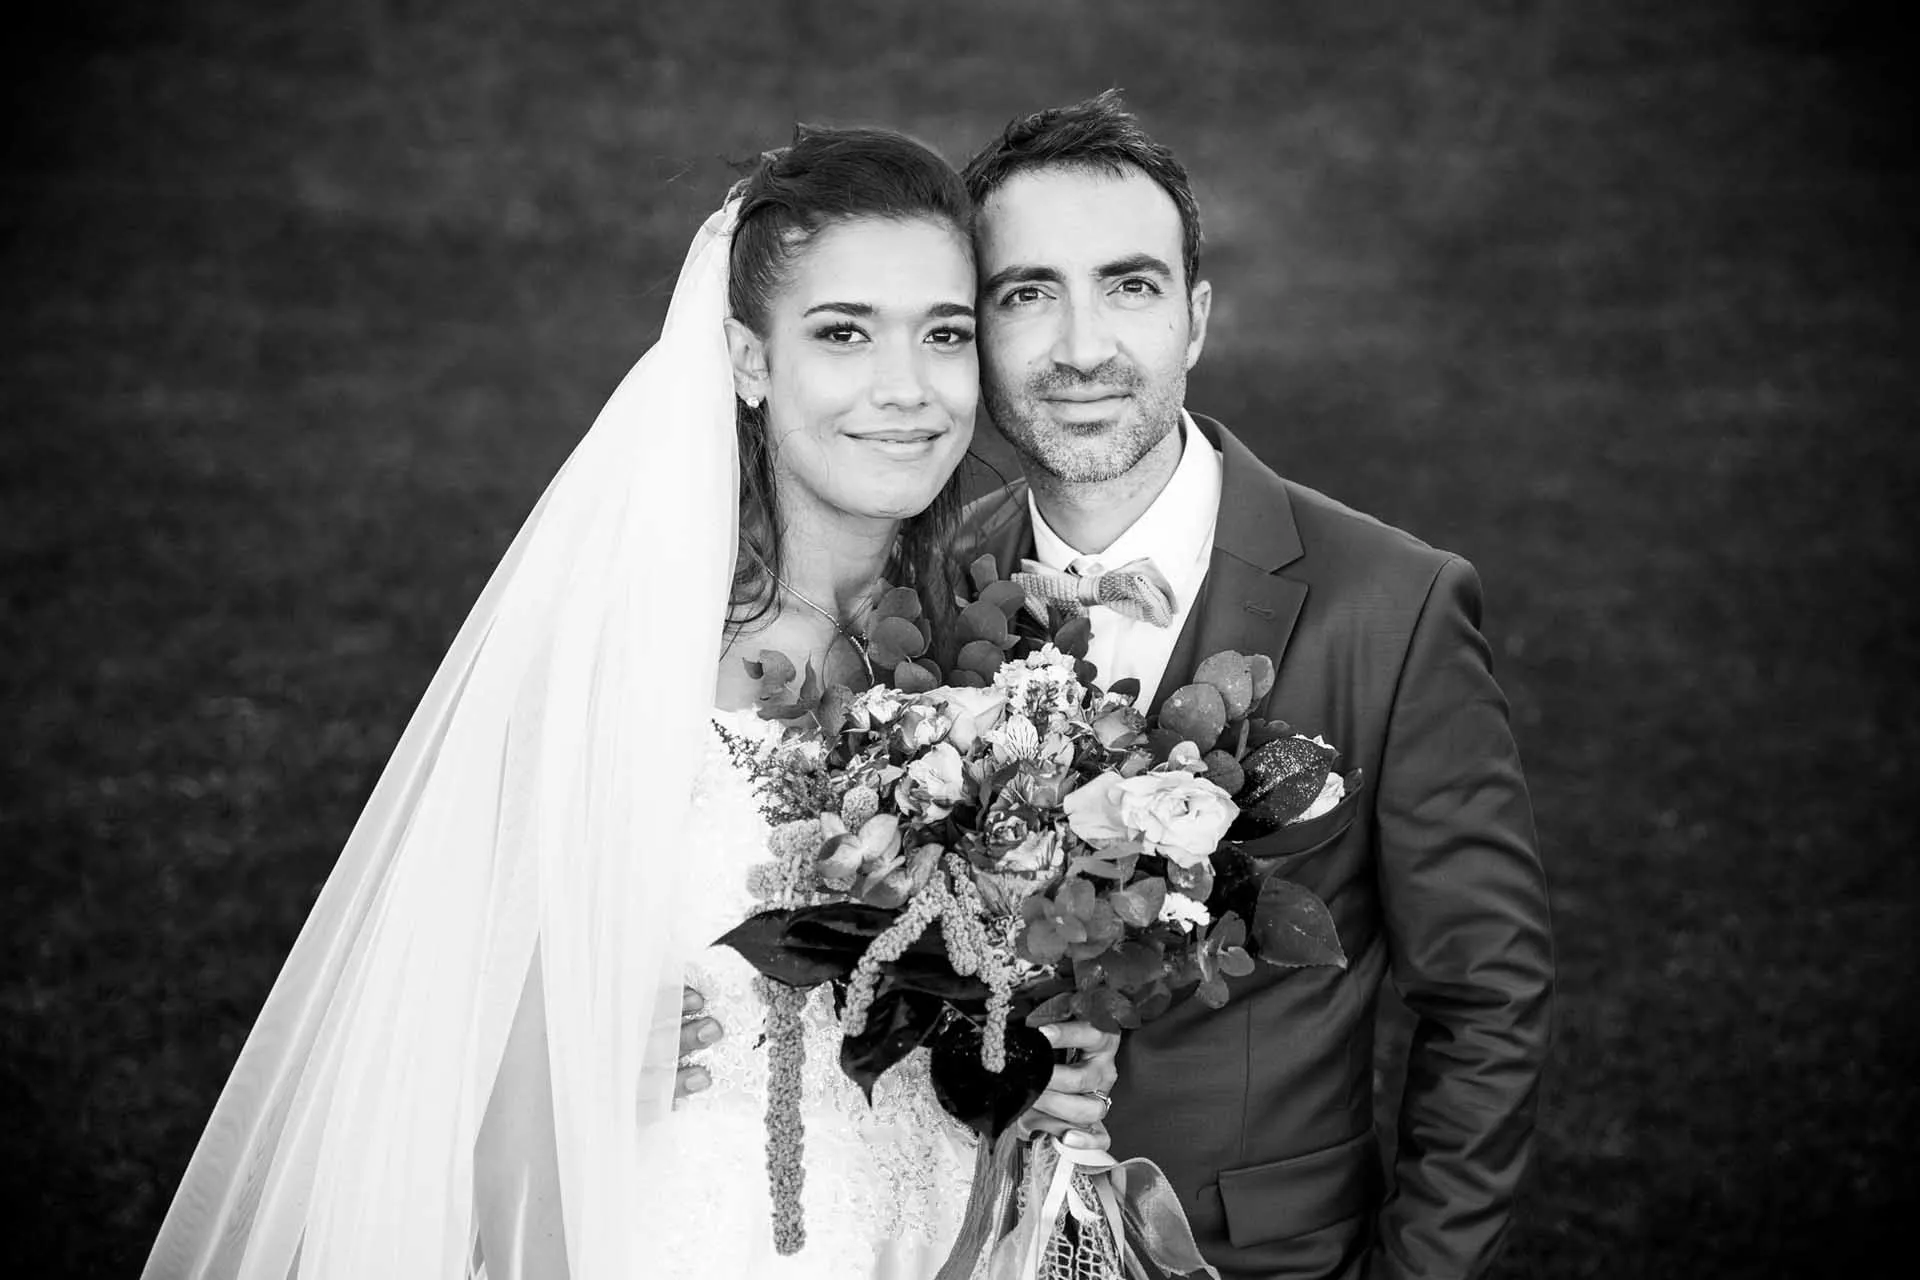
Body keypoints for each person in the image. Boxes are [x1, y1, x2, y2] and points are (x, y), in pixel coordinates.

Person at [143, 126, 1116, 1280]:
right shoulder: (641, 658)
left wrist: (1030, 1056)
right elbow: (481, 1091)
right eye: (843, 332)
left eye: (943, 333)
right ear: (749, 360)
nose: (905, 388)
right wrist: (580, 1062)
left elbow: (967, 985)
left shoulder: (996, 652)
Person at [954, 92, 1555, 1280]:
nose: (1080, 346)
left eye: (1129, 286)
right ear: (972, 329)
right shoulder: (928, 586)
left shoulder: (1396, 605)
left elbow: (1489, 998)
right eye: (1027, 294)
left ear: (1196, 318)